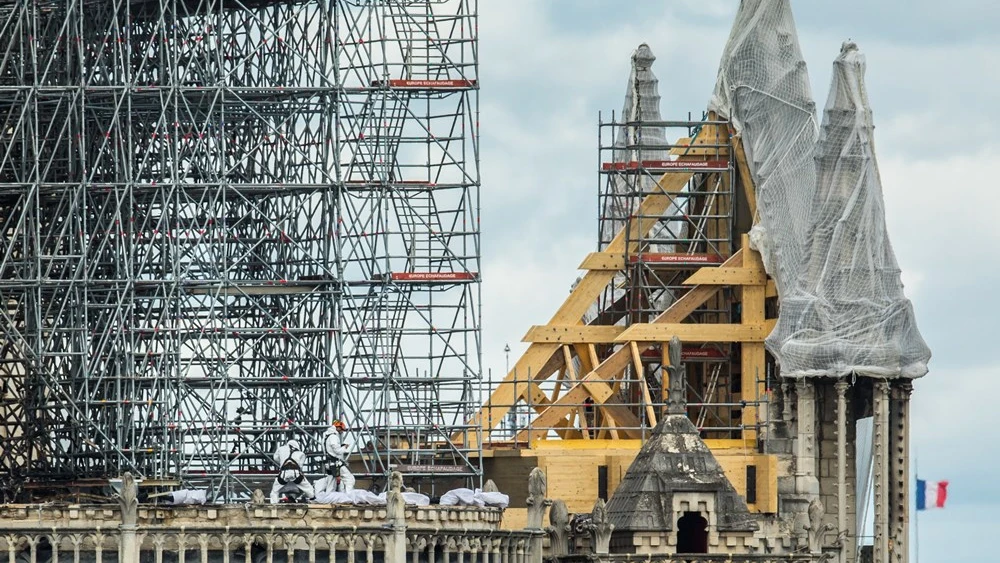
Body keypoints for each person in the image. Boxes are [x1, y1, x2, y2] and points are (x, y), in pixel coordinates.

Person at [269, 439, 315, 503]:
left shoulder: (281, 449)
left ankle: (274, 504)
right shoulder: (301, 453)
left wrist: (282, 462)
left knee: (275, 490)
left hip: (284, 473)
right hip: (295, 473)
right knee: (307, 488)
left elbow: (275, 458)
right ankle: (313, 499)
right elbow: (300, 466)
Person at [320, 420, 355, 493]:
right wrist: (345, 447)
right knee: (350, 479)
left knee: (331, 484)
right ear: (337, 427)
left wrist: (340, 446)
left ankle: (328, 498)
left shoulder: (326, 437)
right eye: (341, 429)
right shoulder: (333, 436)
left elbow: (330, 449)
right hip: (335, 463)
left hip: (329, 463)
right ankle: (349, 497)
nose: (342, 431)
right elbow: (337, 451)